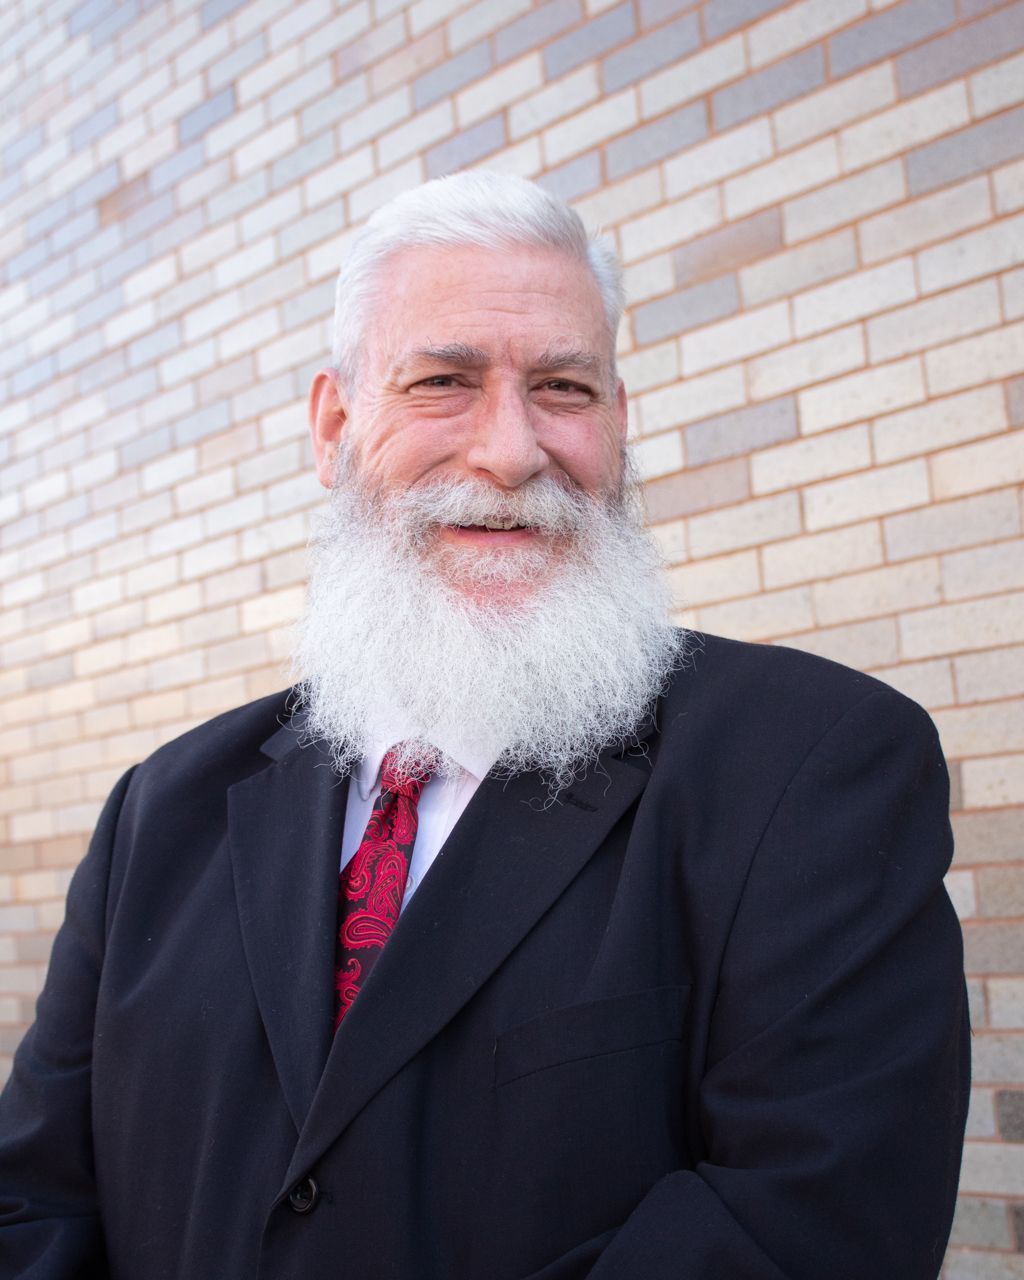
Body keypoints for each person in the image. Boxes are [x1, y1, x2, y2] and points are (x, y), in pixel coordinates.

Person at [0, 171, 968, 1280]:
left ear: (617, 423)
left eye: (562, 386)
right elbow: (32, 1202)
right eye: (443, 381)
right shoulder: (157, 813)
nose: (510, 449)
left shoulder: (815, 766)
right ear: (333, 426)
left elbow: (804, 1229)